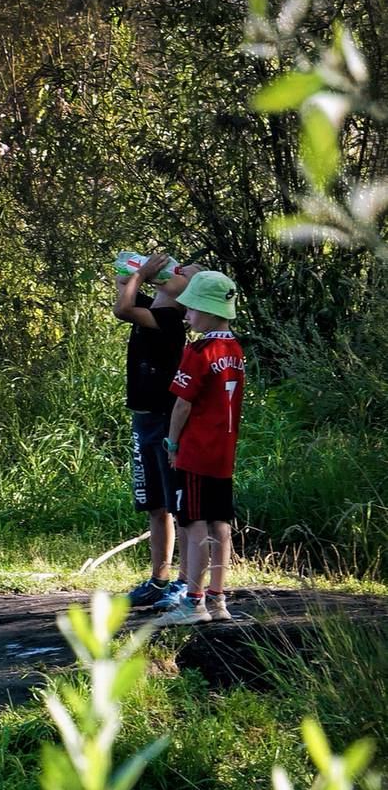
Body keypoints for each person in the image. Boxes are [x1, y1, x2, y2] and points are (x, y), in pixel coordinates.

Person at [156, 271, 244, 625]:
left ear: (208, 311)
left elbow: (182, 404)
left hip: (195, 452)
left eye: (192, 309)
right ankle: (218, 599)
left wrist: (172, 443)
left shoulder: (199, 351)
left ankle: (194, 603)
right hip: (223, 453)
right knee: (220, 524)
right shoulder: (234, 349)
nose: (188, 315)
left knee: (193, 525)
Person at [112, 250, 197, 609]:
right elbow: (123, 288)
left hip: (165, 420)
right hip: (143, 418)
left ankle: (185, 582)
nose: (171, 271)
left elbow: (123, 309)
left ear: (186, 295)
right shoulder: (154, 306)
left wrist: (143, 272)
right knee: (154, 504)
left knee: (177, 504)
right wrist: (133, 270)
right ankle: (158, 580)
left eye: (180, 272)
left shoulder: (169, 319)